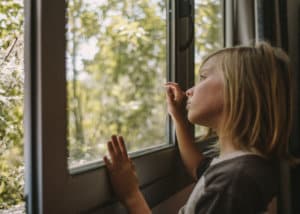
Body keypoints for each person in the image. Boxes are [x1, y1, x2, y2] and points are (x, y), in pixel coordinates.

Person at [103, 42, 294, 214]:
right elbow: (198, 167)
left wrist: (131, 196)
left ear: (238, 90)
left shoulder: (231, 185)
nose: (189, 91)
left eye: (203, 77)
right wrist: (179, 118)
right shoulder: (241, 167)